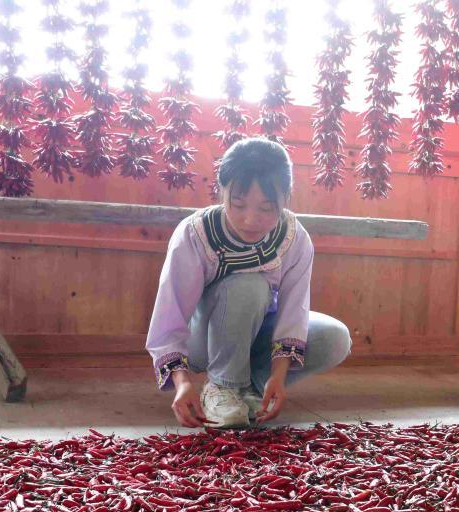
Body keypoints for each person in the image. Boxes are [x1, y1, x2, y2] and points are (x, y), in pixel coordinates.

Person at [146, 137, 352, 428]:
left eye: (266, 208)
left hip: (257, 332)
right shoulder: (196, 233)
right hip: (202, 340)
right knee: (248, 286)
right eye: (239, 204)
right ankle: (222, 387)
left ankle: (249, 390)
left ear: (286, 198)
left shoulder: (294, 237)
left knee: (334, 337)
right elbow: (170, 316)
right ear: (222, 192)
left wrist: (278, 376)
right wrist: (182, 382)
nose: (250, 220)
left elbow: (293, 312)